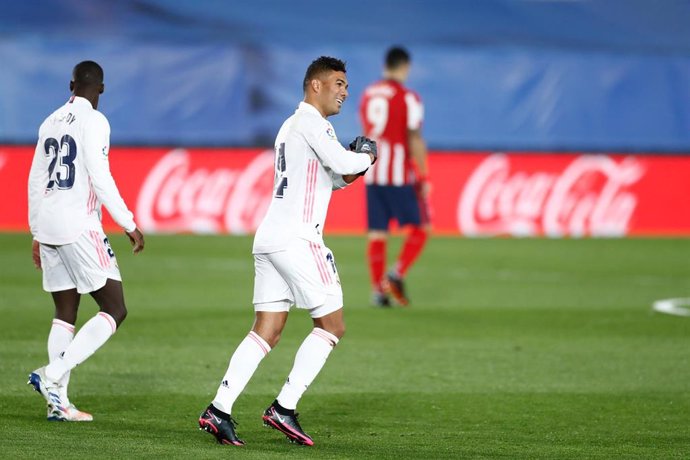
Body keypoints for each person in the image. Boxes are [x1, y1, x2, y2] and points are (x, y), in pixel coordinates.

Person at [198, 56, 376, 447]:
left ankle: (219, 408)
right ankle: (284, 407)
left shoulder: (292, 126)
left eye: (346, 85)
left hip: (271, 238)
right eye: (338, 83)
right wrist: (367, 157)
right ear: (316, 85)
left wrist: (355, 166)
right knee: (332, 326)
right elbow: (344, 161)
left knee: (267, 330)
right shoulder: (313, 123)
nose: (345, 91)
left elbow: (334, 177)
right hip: (297, 239)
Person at [27, 60, 145, 422]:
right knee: (115, 308)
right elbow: (99, 174)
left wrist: (35, 231)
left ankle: (58, 404)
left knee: (65, 312)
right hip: (79, 224)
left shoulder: (49, 120)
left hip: (48, 223)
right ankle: (51, 375)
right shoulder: (95, 121)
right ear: (102, 89)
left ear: (71, 84)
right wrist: (128, 222)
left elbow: (35, 178)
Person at [359, 46, 431, 307]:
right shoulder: (408, 97)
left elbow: (367, 130)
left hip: (372, 170)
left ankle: (378, 291)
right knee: (423, 228)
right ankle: (395, 273)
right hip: (399, 174)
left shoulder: (368, 93)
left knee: (377, 234)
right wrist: (423, 176)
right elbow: (414, 137)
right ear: (405, 67)